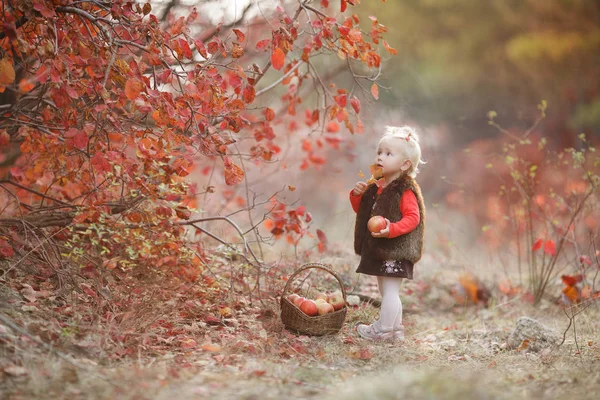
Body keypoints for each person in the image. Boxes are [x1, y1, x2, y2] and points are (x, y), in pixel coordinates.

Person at [350, 125, 426, 341]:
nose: (380, 157)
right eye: (379, 152)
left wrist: (391, 229)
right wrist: (358, 195)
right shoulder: (377, 186)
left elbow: (413, 218)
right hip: (382, 249)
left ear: (404, 164)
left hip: (396, 249)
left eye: (388, 154)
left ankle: (383, 330)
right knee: (386, 291)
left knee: (391, 292)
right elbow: (363, 212)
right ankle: (394, 331)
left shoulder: (405, 189)